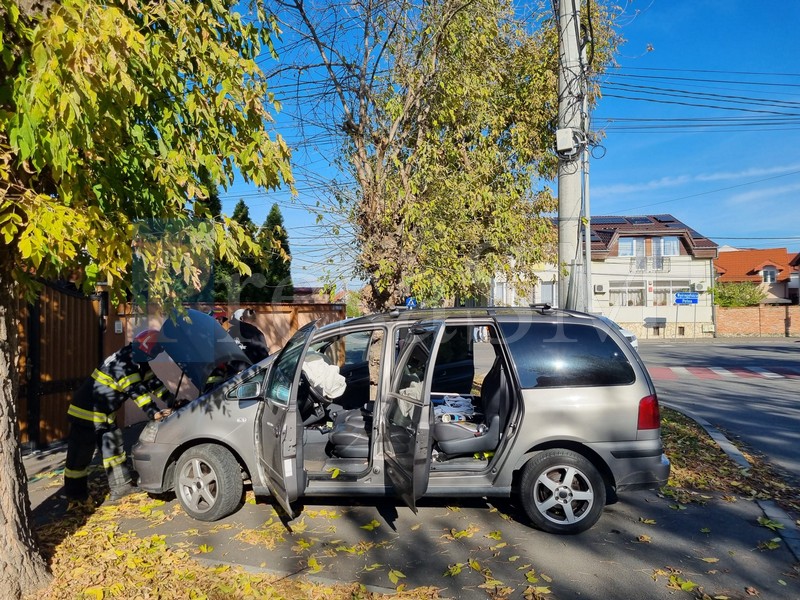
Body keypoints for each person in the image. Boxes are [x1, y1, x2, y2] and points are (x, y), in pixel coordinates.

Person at [62, 329, 175, 502]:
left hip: (104, 414)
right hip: (86, 413)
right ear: (147, 348)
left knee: (114, 449)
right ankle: (75, 496)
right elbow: (135, 390)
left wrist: (173, 401)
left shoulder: (136, 358)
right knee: (80, 456)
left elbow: (153, 383)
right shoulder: (124, 362)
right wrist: (153, 412)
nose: (154, 356)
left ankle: (122, 487)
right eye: (154, 351)